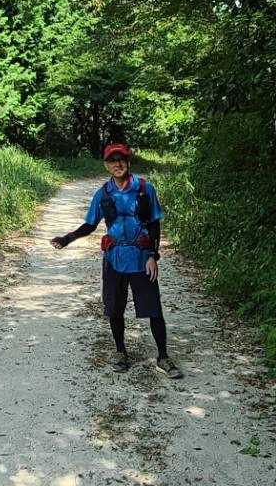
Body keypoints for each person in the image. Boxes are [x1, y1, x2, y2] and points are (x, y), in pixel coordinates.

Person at [50, 143, 182, 379]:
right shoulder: (103, 194)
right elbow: (90, 225)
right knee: (114, 308)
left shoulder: (144, 189)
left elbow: (154, 224)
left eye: (121, 159)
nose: (117, 164)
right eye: (112, 160)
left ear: (128, 162)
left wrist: (153, 255)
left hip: (141, 258)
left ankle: (163, 356)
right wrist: (67, 239)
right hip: (114, 258)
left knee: (153, 308)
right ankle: (121, 352)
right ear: (106, 165)